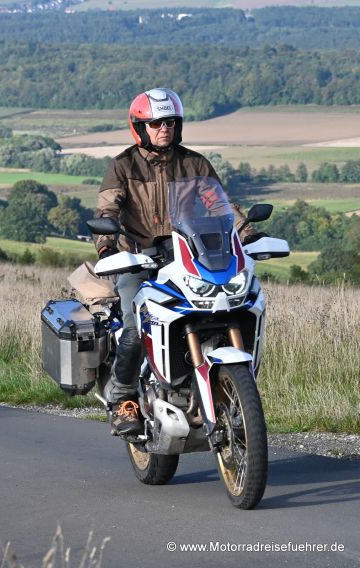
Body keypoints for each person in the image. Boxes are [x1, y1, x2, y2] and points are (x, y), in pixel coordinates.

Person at [94, 87, 258, 436]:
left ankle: (224, 389)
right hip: (139, 259)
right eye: (155, 123)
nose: (164, 128)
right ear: (140, 127)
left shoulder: (194, 163)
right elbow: (107, 208)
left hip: (191, 254)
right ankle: (124, 399)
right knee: (137, 325)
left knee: (222, 308)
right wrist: (108, 248)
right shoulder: (122, 166)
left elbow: (220, 205)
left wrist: (245, 236)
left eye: (170, 122)